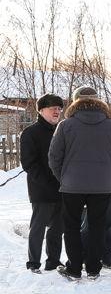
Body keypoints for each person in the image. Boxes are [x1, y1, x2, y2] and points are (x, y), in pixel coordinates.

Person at [49, 86, 111, 280]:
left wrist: (63, 178)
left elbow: (54, 157)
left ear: (75, 103)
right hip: (101, 185)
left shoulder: (65, 125)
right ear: (99, 104)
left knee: (71, 227)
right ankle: (94, 269)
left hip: (72, 185)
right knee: (98, 226)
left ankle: (73, 269)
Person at [20, 93, 65, 273]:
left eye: (59, 109)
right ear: (42, 110)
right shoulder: (31, 132)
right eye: (53, 108)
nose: (57, 112)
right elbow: (29, 163)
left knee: (57, 229)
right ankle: (33, 263)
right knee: (38, 228)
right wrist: (46, 182)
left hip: (63, 187)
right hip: (41, 188)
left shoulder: (63, 130)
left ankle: (53, 261)